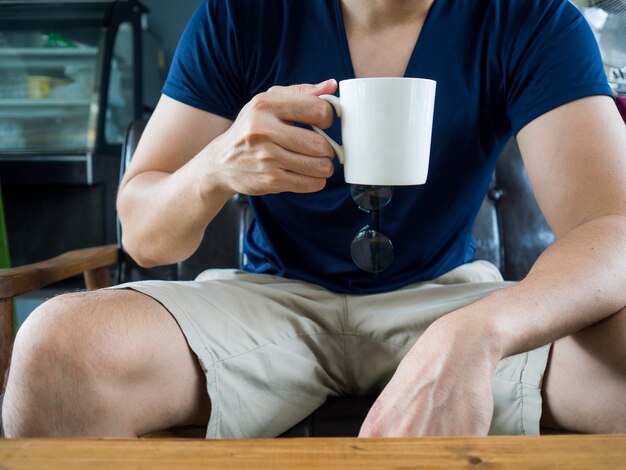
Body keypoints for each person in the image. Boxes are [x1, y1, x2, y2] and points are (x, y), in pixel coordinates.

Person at [2, 0, 625, 438]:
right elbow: (144, 235)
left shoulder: (532, 18)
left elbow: (614, 230)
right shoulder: (238, 15)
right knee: (57, 349)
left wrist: (476, 333)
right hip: (273, 301)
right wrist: (217, 167)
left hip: (449, 300)